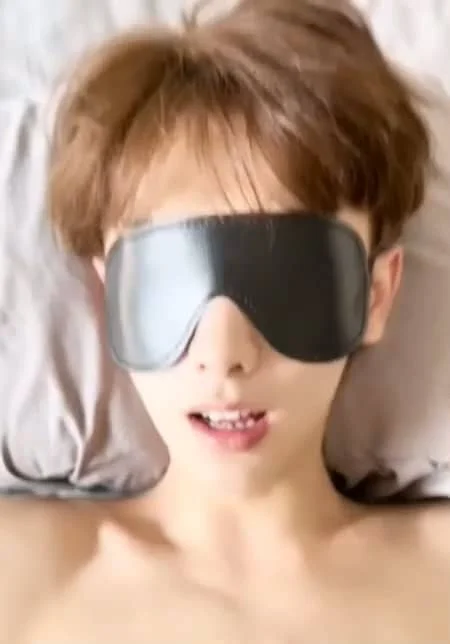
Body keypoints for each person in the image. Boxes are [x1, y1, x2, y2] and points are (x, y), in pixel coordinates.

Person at [1, 0, 450, 642]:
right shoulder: (19, 576)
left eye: (287, 275)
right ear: (111, 295)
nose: (223, 355)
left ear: (375, 296)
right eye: (166, 283)